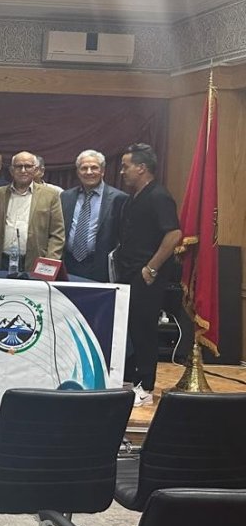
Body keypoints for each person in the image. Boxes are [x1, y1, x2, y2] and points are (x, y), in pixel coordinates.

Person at [116, 143, 182, 407]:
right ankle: (133, 380)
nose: (122, 171)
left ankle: (146, 386)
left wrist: (151, 268)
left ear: (141, 168)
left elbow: (174, 234)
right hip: (129, 273)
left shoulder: (159, 196)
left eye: (126, 166)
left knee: (144, 330)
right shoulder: (135, 196)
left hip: (146, 276)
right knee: (132, 328)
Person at [0, 151, 65, 272]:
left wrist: (48, 264)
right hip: (1, 262)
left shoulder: (50, 195)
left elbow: (57, 234)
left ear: (35, 170)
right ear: (11, 170)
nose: (23, 170)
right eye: (19, 166)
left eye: (28, 166)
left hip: (36, 263)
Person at [60, 149, 128, 282]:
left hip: (100, 266)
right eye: (84, 168)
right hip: (68, 264)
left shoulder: (119, 198)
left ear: (102, 171)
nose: (89, 172)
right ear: (78, 172)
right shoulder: (66, 197)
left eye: (94, 168)